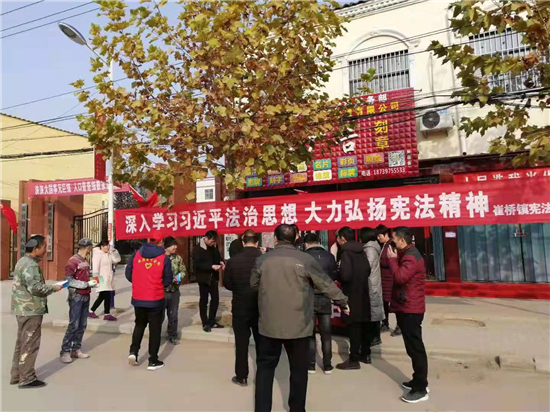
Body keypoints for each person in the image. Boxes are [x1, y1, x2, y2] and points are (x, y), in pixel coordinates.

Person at [251, 224, 349, 412]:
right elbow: (325, 284)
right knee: (298, 371)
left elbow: (253, 284)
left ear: (275, 238)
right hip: (299, 325)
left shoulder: (263, 260)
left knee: (265, 370)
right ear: (296, 238)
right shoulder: (305, 259)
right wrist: (342, 301)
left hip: (269, 324)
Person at [11, 235, 63, 389]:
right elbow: (35, 288)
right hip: (31, 309)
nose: (46, 250)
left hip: (22, 308)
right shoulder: (31, 265)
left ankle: (17, 375)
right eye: (44, 247)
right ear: (35, 249)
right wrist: (54, 288)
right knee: (30, 344)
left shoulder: (22, 261)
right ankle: (27, 378)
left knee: (22, 343)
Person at [387, 227, 429, 404]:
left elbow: (400, 277)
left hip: (411, 309)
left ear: (402, 240)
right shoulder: (407, 253)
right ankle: (418, 379)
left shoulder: (410, 257)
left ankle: (421, 388)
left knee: (415, 348)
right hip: (407, 306)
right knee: (412, 348)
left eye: (394, 239)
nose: (392, 242)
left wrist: (392, 260)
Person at [125, 238, 173, 371]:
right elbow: (168, 279)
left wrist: (139, 282)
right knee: (155, 329)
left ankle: (133, 352)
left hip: (138, 297)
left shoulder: (136, 255)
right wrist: (157, 284)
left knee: (139, 325)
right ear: (161, 242)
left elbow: (128, 274)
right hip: (155, 298)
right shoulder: (164, 258)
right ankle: (153, 360)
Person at [223, 229, 262, 387]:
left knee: (241, 344)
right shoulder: (264, 259)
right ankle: (262, 377)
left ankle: (241, 376)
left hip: (240, 307)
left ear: (243, 242)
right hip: (260, 307)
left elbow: (227, 284)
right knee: (261, 344)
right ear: (257, 242)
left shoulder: (233, 261)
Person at [335, 226, 374, 370]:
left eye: (338, 238)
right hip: (363, 291)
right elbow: (368, 270)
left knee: (354, 327)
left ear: (342, 238)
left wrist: (337, 274)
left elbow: (345, 275)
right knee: (363, 324)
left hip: (351, 292)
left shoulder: (346, 252)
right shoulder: (361, 251)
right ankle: (365, 354)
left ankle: (353, 359)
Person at [303, 232, 338, 375]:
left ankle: (311, 365)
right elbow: (334, 275)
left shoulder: (304, 257)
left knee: (310, 334)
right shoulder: (329, 256)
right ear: (318, 242)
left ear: (306, 244)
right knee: (326, 333)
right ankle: (327, 365)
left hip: (309, 297)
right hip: (325, 297)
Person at [60, 238, 98, 364]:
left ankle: (76, 349)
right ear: (87, 247)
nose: (91, 249)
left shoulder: (84, 261)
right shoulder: (73, 261)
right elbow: (68, 281)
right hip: (76, 296)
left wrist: (92, 282)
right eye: (91, 247)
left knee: (82, 324)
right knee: (74, 324)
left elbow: (85, 276)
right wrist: (85, 284)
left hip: (86, 295)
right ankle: (65, 351)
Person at [193, 230, 225, 332]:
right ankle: (205, 322)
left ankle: (212, 320)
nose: (213, 243)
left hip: (213, 278)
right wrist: (211, 266)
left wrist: (221, 262)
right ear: (206, 238)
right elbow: (197, 264)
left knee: (215, 299)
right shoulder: (197, 249)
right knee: (204, 300)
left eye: (214, 241)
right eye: (211, 241)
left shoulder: (213, 247)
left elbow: (218, 257)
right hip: (203, 279)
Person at [360, 227, 385, 347]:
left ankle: (375, 337)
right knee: (374, 310)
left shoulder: (370, 249)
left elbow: (367, 266)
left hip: (371, 283)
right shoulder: (372, 247)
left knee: (373, 311)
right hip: (373, 282)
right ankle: (374, 336)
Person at [163, 236, 187, 345]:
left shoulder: (178, 258)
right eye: (173, 245)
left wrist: (177, 278)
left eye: (176, 245)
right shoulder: (160, 258)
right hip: (162, 291)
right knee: (159, 315)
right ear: (167, 246)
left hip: (174, 291)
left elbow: (183, 271)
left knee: (173, 315)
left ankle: (172, 335)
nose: (175, 247)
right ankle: (155, 334)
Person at [377, 224, 400, 336]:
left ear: (386, 234)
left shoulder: (391, 245)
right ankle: (385, 323)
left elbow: (392, 261)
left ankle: (399, 325)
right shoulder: (384, 245)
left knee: (394, 303)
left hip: (390, 279)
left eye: (380, 236)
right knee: (385, 303)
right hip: (384, 279)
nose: (378, 238)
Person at [89, 240, 121, 321]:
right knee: (107, 295)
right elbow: (95, 269)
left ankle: (91, 311)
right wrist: (96, 281)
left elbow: (117, 260)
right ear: (101, 247)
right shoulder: (97, 255)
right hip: (101, 278)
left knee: (102, 296)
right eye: (106, 246)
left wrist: (114, 251)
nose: (107, 247)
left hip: (108, 278)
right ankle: (107, 314)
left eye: (108, 246)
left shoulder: (109, 254)